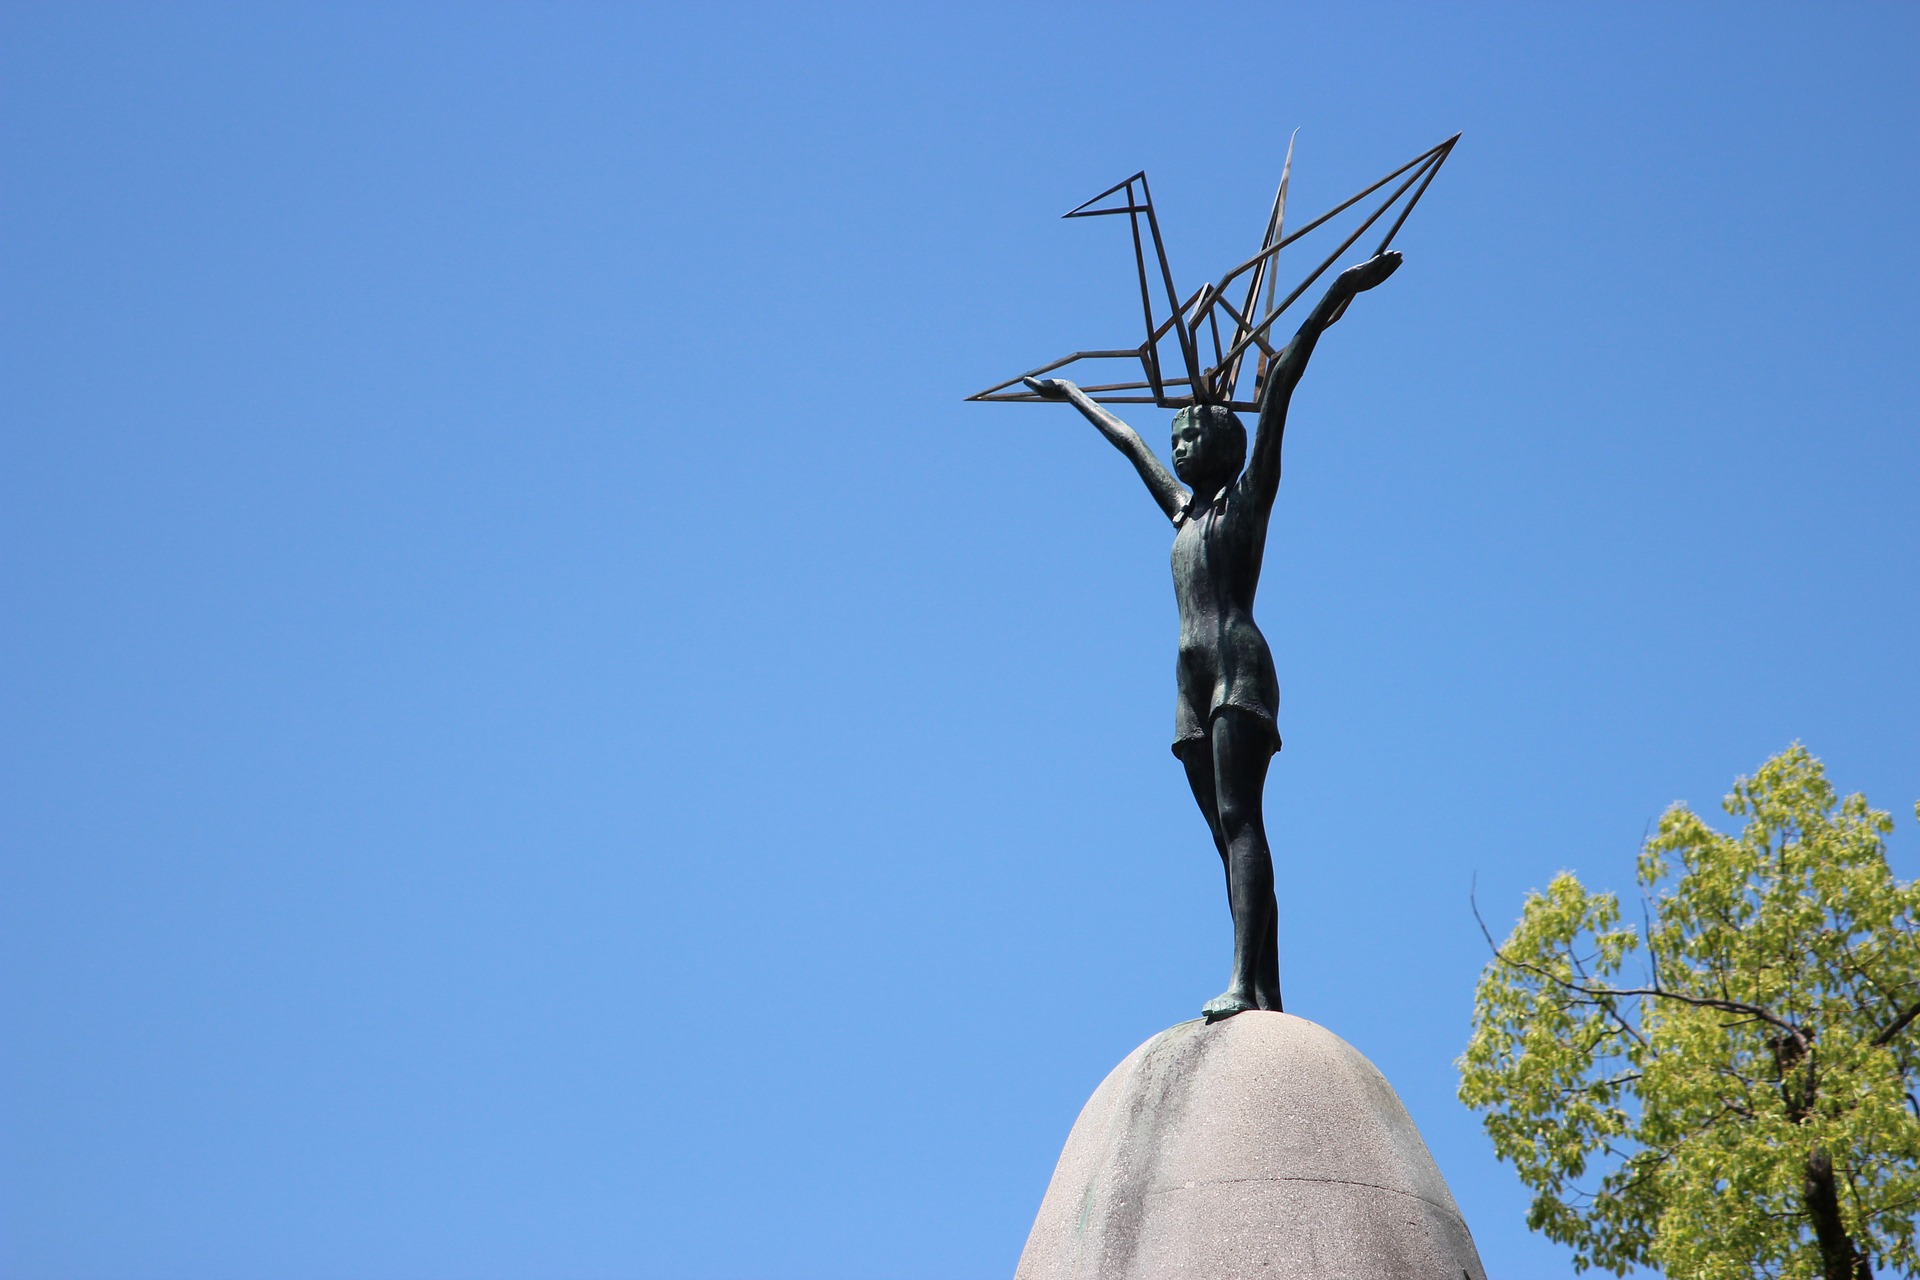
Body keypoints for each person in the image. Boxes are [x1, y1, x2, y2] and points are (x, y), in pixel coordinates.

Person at [1025, 249, 1402, 1021]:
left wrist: (1344, 288)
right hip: (1189, 679)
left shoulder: (1249, 496)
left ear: (1229, 442)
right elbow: (1130, 441)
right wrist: (1073, 396)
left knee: (1241, 821)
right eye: (1180, 436)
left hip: (1237, 663)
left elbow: (1289, 371)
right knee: (1225, 838)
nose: (1183, 443)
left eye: (1198, 433)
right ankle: (1262, 987)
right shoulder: (1181, 512)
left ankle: (1246, 984)